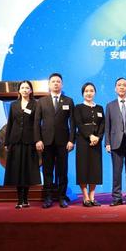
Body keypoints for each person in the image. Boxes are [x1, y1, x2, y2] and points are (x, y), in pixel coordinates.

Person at [34, 73, 74, 209]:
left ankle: (62, 197)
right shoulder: (42, 101)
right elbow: (36, 122)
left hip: (63, 142)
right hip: (46, 142)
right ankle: (48, 197)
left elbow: (72, 122)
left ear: (62, 84)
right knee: (48, 171)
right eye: (53, 81)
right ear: (49, 84)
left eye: (58, 81)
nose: (56, 83)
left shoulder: (68, 101)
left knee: (62, 171)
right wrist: (38, 139)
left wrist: (71, 140)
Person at [4, 80, 41, 208]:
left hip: (29, 141)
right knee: (17, 171)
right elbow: (10, 123)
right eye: (22, 88)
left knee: (27, 171)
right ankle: (19, 200)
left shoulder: (36, 104)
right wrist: (7, 142)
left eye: (27, 88)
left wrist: (38, 140)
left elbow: (37, 124)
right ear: (19, 90)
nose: (25, 90)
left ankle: (26, 199)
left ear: (31, 90)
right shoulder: (14, 105)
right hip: (15, 142)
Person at [105, 78, 126, 206]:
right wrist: (107, 143)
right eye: (119, 85)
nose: (122, 87)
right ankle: (116, 197)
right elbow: (107, 126)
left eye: (124, 85)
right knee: (116, 172)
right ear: (115, 88)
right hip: (115, 142)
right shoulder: (110, 105)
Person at [73, 82, 105, 207]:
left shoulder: (100, 108)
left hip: (96, 142)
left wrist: (98, 137)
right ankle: (85, 197)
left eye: (91, 91)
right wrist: (90, 135)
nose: (89, 93)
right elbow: (79, 124)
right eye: (86, 91)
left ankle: (92, 197)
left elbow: (102, 124)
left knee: (95, 169)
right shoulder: (78, 107)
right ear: (83, 93)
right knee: (83, 168)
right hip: (83, 141)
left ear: (95, 93)